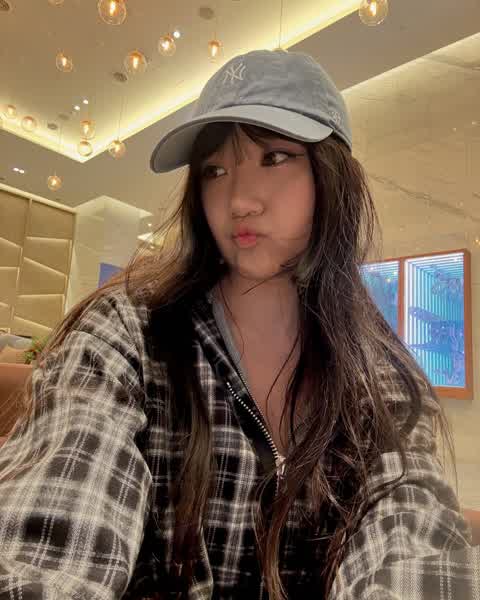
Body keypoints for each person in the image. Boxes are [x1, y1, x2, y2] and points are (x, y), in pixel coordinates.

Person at [0, 49, 478, 600]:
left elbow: (406, 542)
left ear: (330, 176)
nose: (238, 200)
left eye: (274, 157)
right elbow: (52, 533)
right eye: (215, 170)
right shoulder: (129, 333)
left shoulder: (377, 377)